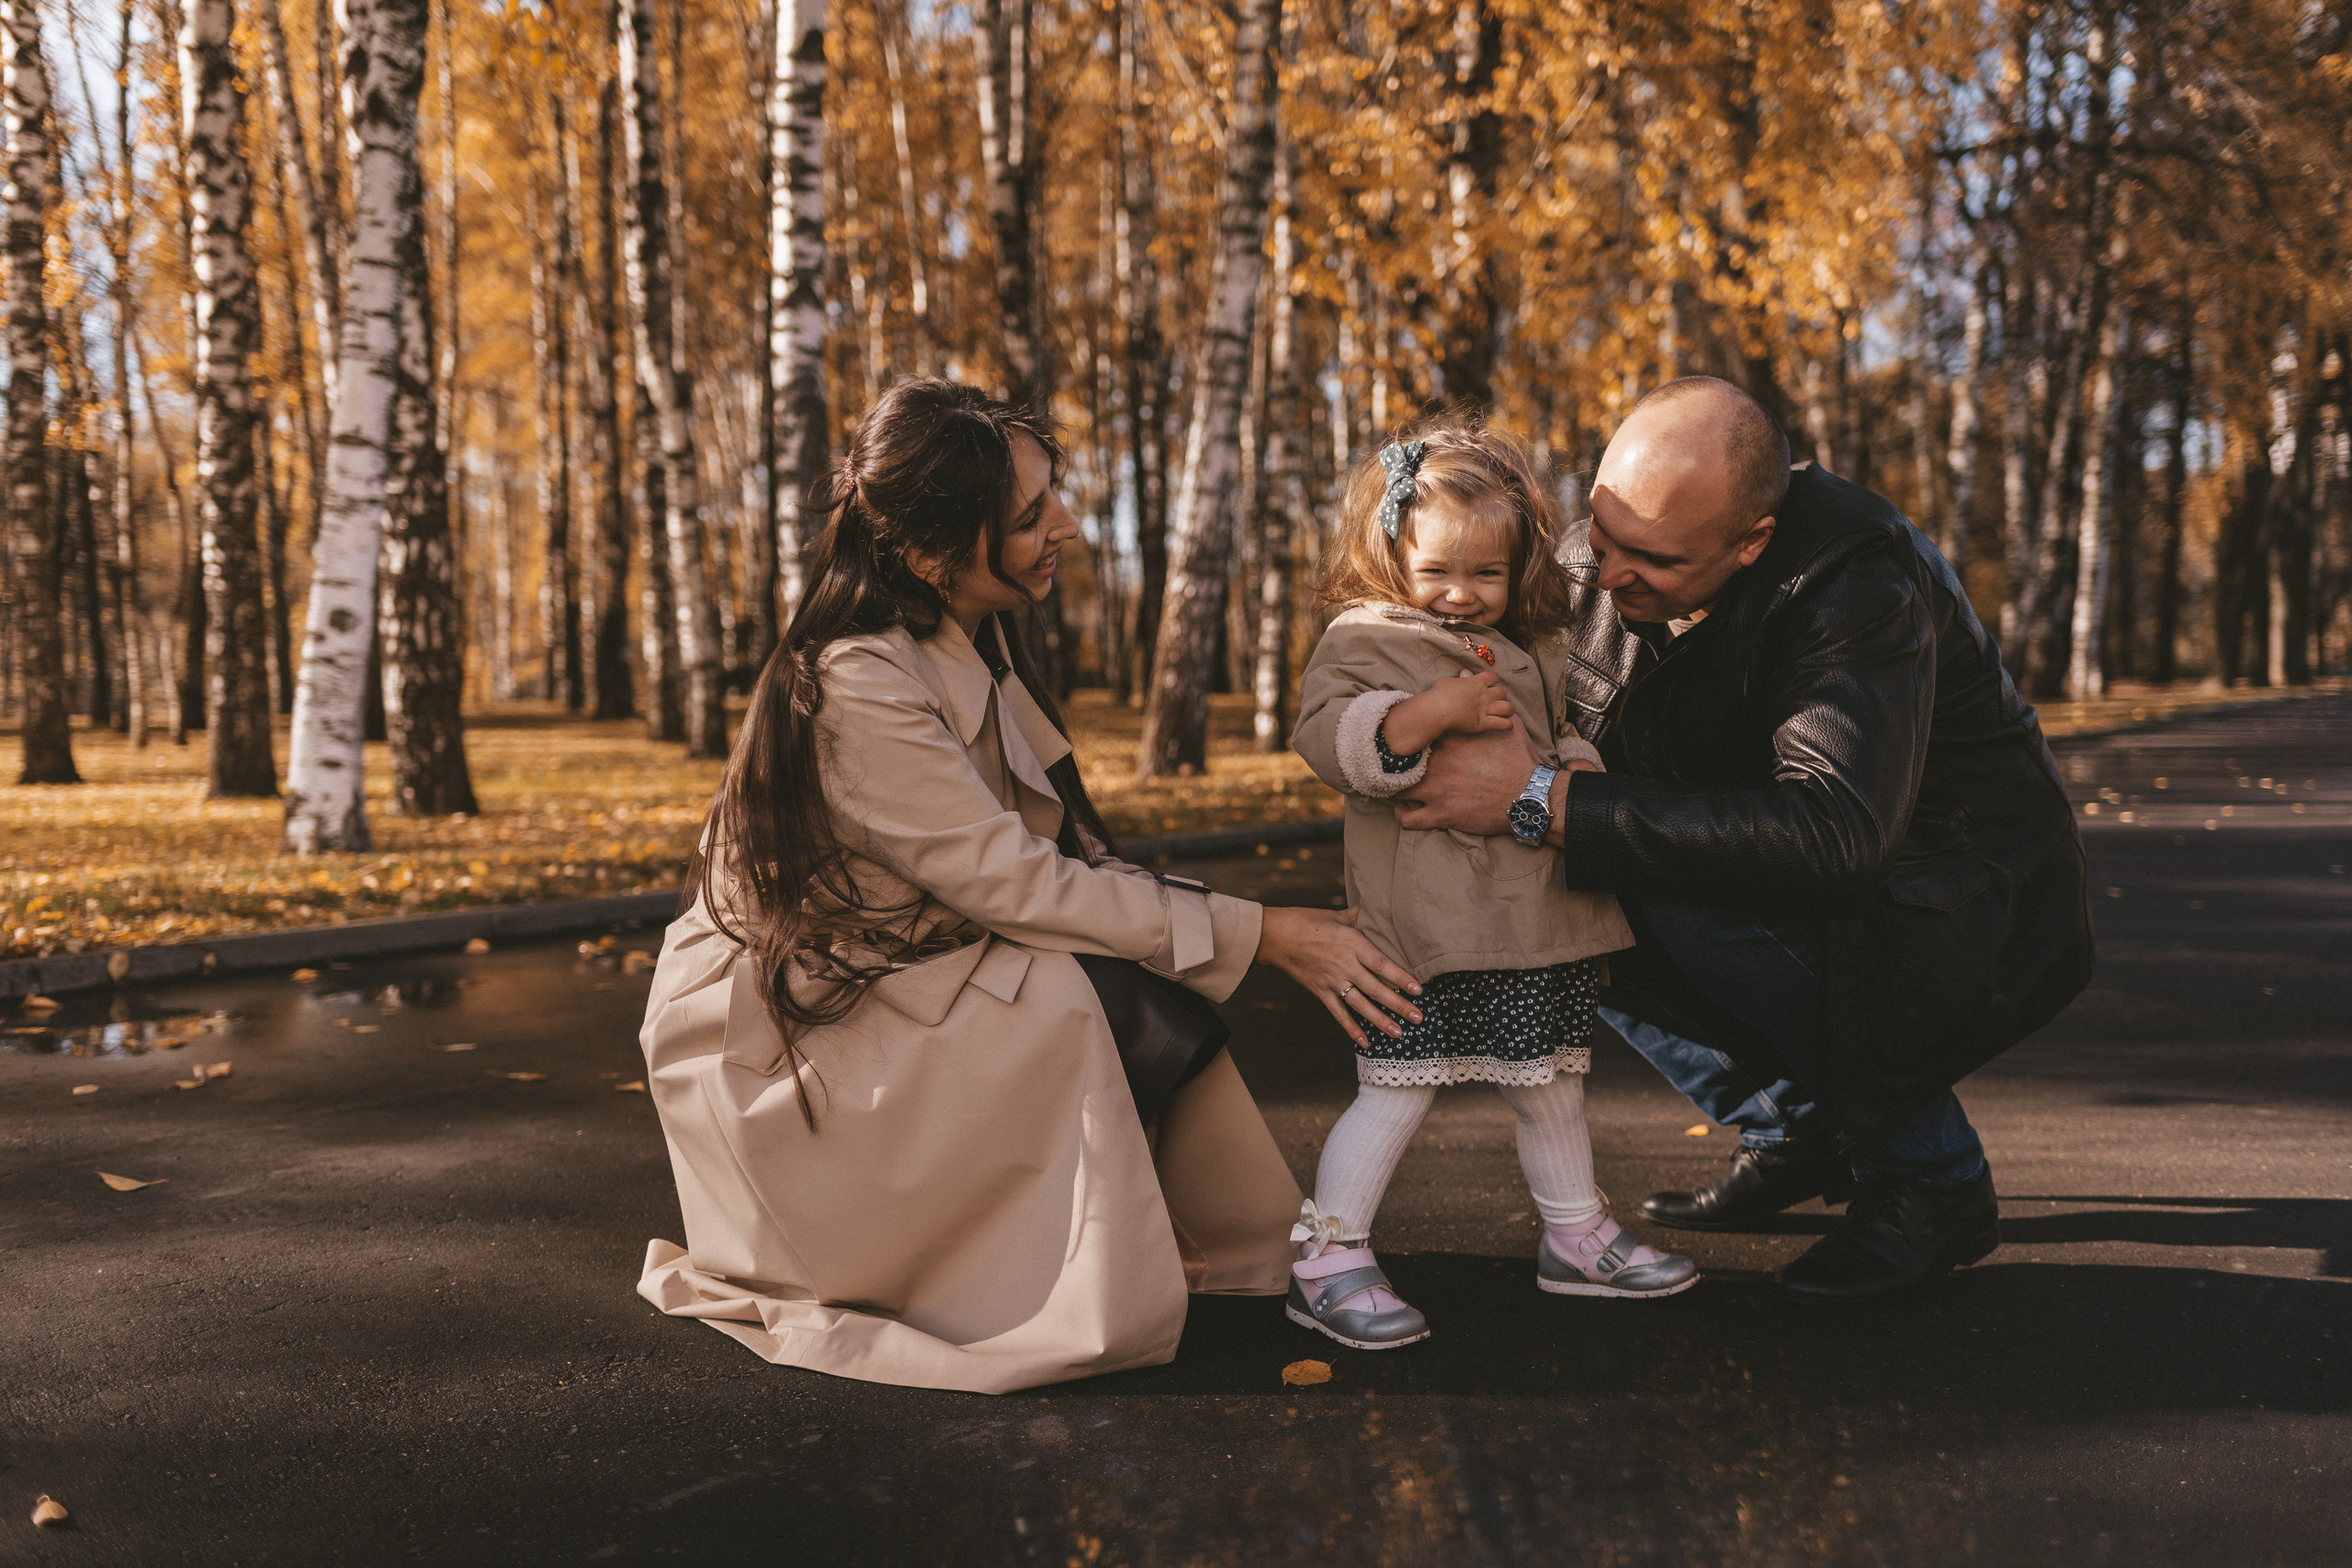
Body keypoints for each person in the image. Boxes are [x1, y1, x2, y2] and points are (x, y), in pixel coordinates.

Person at [634, 380, 1422, 1393]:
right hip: (788, 1043)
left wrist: (1214, 926)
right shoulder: (857, 682)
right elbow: (1015, 882)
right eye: (1028, 516)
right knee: (1083, 988)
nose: (1068, 526)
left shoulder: (958, 628)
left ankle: (1253, 1254)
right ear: (927, 554)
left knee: (1138, 952)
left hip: (893, 966)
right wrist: (1262, 933)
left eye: (1054, 495)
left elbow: (1053, 866)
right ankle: (1106, 1269)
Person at [1394, 377, 2094, 1303]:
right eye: (1599, 534)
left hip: (1950, 895)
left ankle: (1932, 1179)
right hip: (1791, 853)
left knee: (1659, 880)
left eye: (1648, 558)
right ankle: (1793, 1127)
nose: (1601, 573)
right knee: (1554, 892)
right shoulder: (1593, 557)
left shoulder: (1858, 585)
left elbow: (1832, 839)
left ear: (1751, 541)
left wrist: (1540, 799)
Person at [1284, 421, 1696, 1352]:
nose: (1462, 596)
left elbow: (1552, 739)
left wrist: (1581, 771)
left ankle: (1575, 1233)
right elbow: (1330, 741)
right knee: (1395, 1087)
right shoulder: (1365, 638)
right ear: (1389, 557)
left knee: (1550, 1083)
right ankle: (1329, 1257)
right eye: (1437, 572)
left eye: (1487, 575)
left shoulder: (1537, 643)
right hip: (1424, 926)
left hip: (1529, 918)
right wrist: (1429, 713)